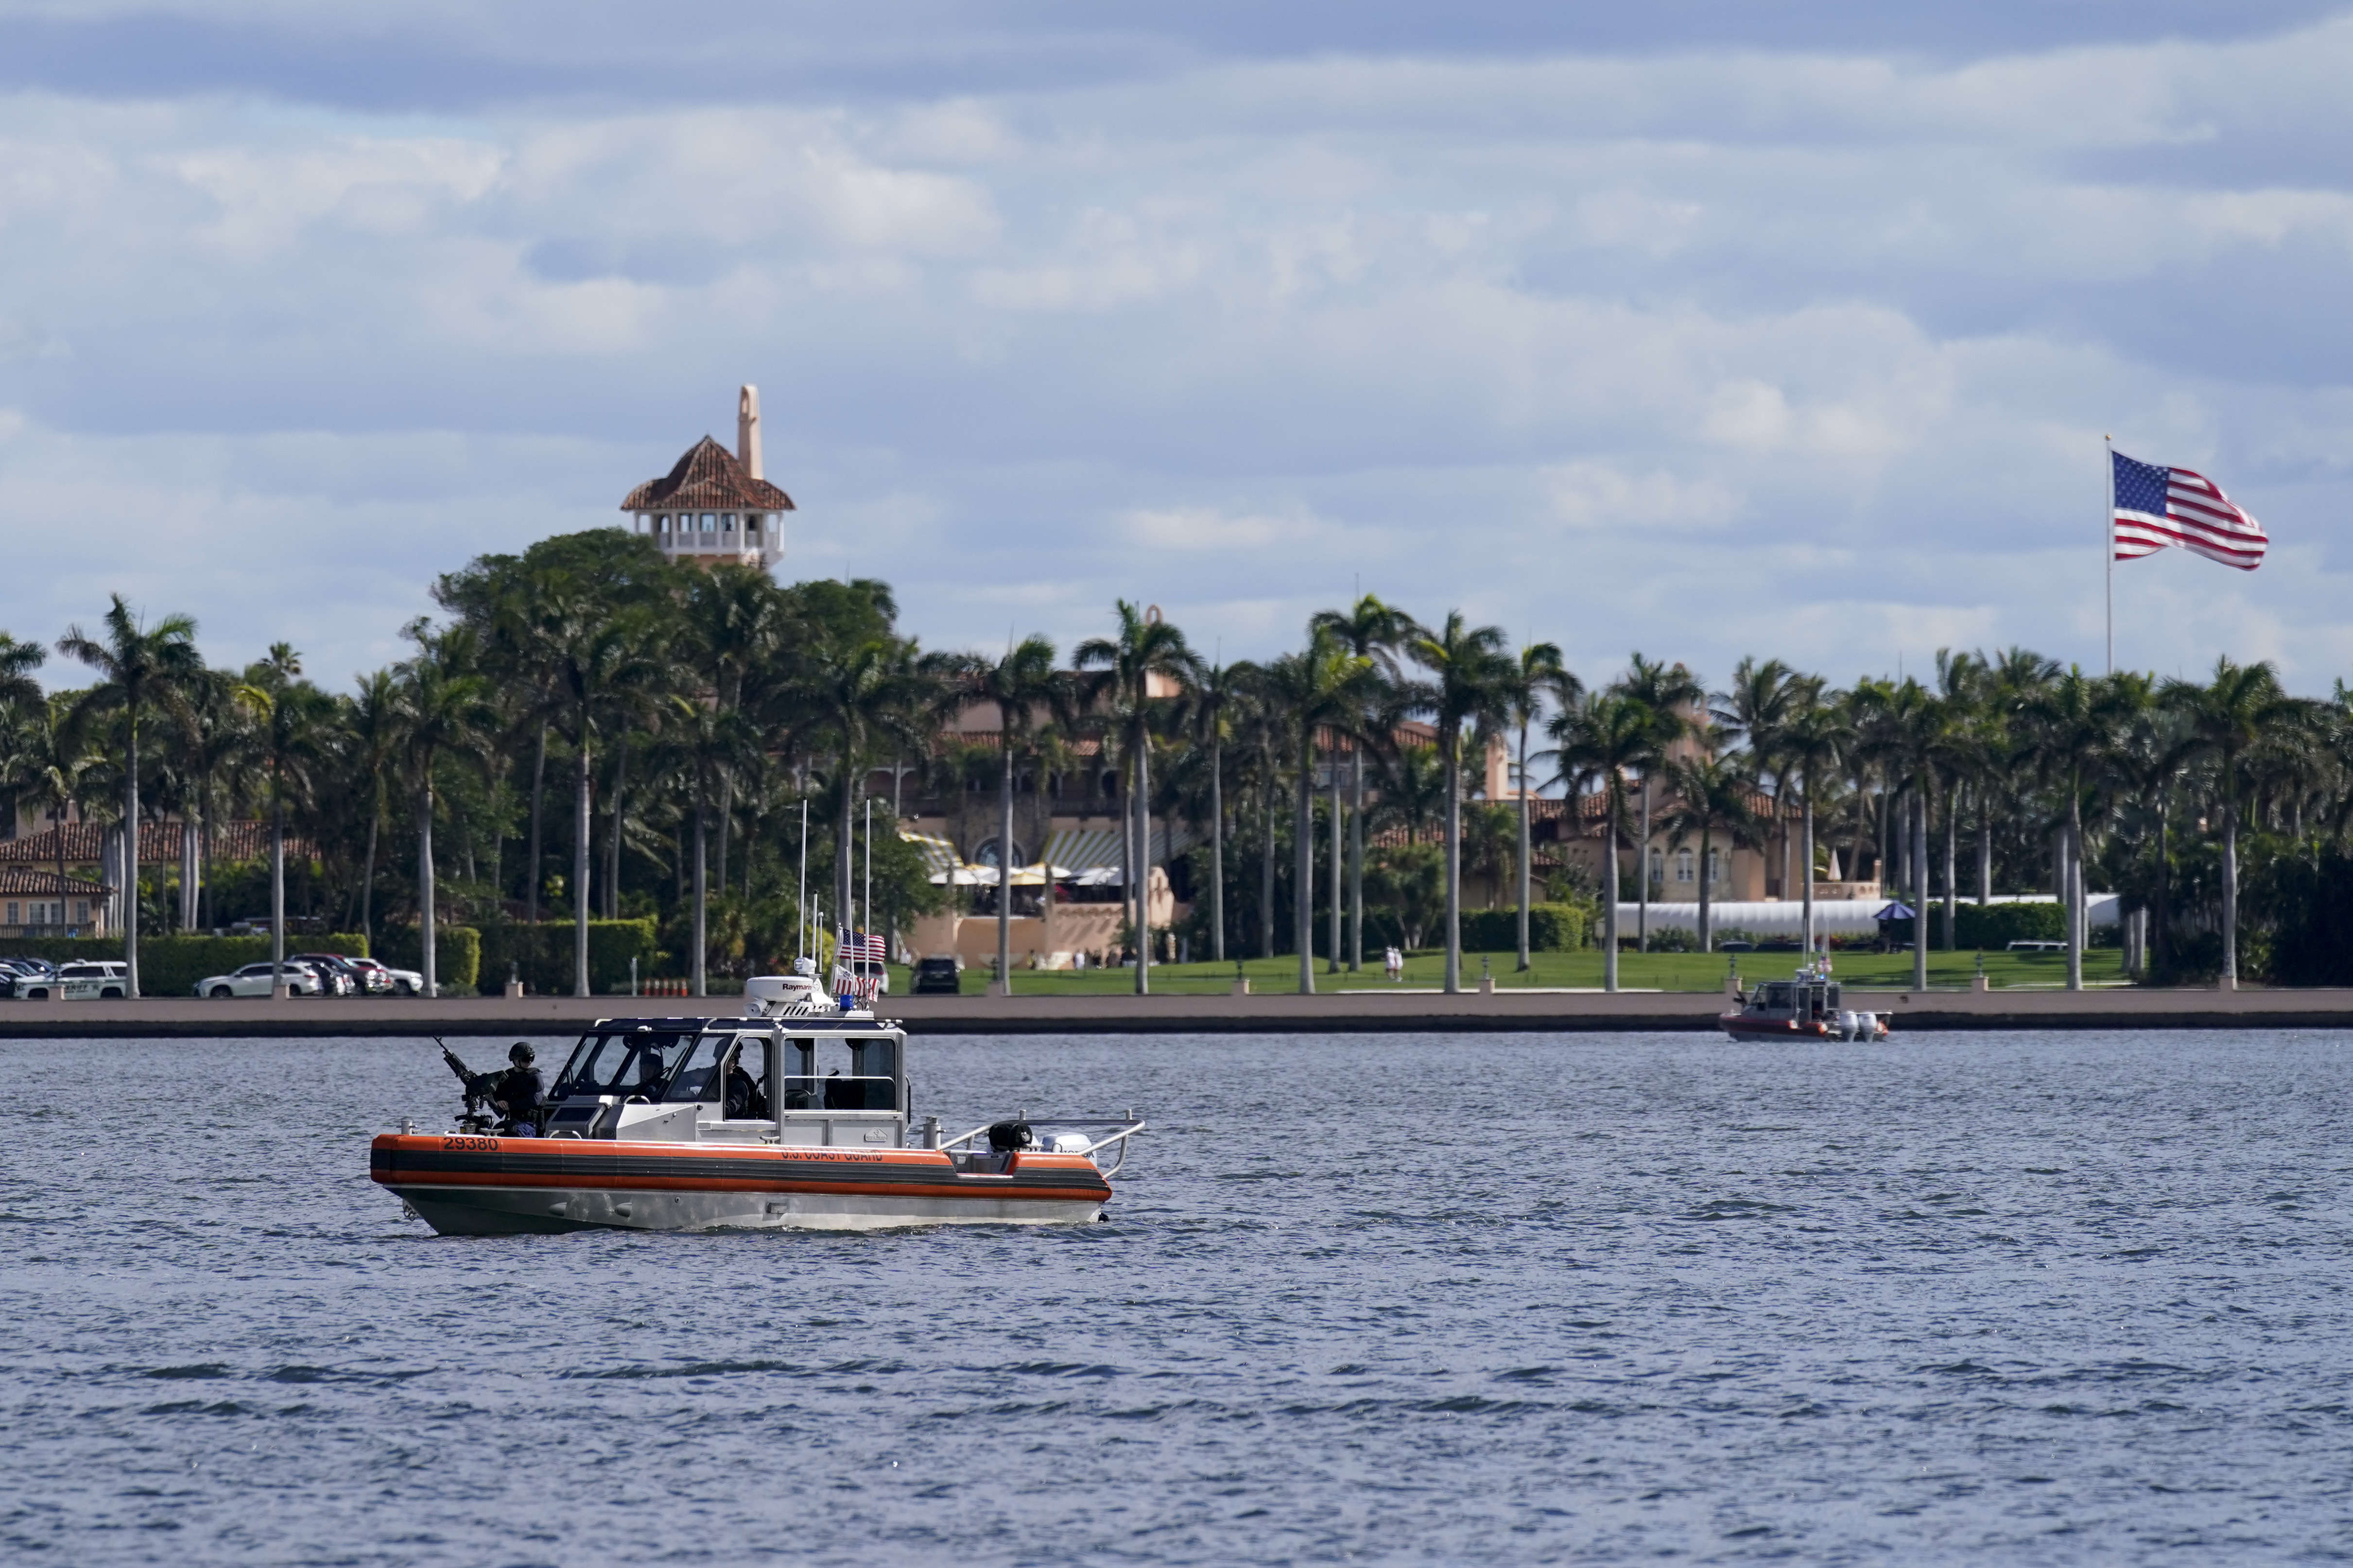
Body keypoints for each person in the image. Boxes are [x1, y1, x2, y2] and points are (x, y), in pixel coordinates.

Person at [491, 1042, 545, 1137]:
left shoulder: (535, 1077)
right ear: (515, 1060)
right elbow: (494, 1092)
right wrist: (498, 1101)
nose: (529, 1062)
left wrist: (511, 1106)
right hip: (512, 1122)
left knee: (514, 1132)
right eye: (526, 1059)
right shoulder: (507, 1076)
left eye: (531, 1059)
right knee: (494, 1132)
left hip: (531, 1125)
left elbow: (534, 1100)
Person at [723, 1046, 769, 1120]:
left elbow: (730, 1107)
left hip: (737, 1121)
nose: (740, 1057)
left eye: (733, 1058)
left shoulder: (740, 1081)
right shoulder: (716, 1075)